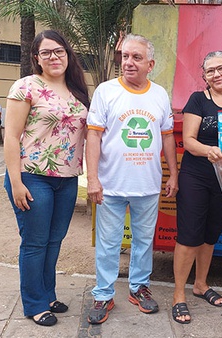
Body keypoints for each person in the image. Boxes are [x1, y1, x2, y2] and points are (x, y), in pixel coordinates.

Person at [86, 34, 178, 325]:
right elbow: (93, 135)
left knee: (143, 242)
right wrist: (92, 179)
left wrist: (173, 173)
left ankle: (139, 288)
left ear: (150, 64)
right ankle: (103, 293)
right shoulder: (105, 91)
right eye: (125, 56)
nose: (128, 62)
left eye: (136, 58)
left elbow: (167, 138)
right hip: (110, 185)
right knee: (108, 243)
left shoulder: (160, 95)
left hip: (147, 186)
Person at [3, 30, 89, 327]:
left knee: (54, 241)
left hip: (67, 178)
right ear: (36, 58)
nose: (54, 57)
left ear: (68, 54)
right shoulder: (27, 87)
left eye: (59, 51)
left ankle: (48, 293)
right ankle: (34, 303)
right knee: (35, 242)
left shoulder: (77, 89)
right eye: (47, 53)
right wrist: (16, 182)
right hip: (33, 176)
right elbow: (11, 137)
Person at [171, 51, 222, 324]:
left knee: (210, 234)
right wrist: (210, 150)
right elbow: (189, 141)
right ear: (204, 77)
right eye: (210, 71)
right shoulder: (198, 100)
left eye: (221, 69)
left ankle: (201, 284)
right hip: (197, 175)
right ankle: (179, 295)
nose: (216, 75)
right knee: (189, 235)